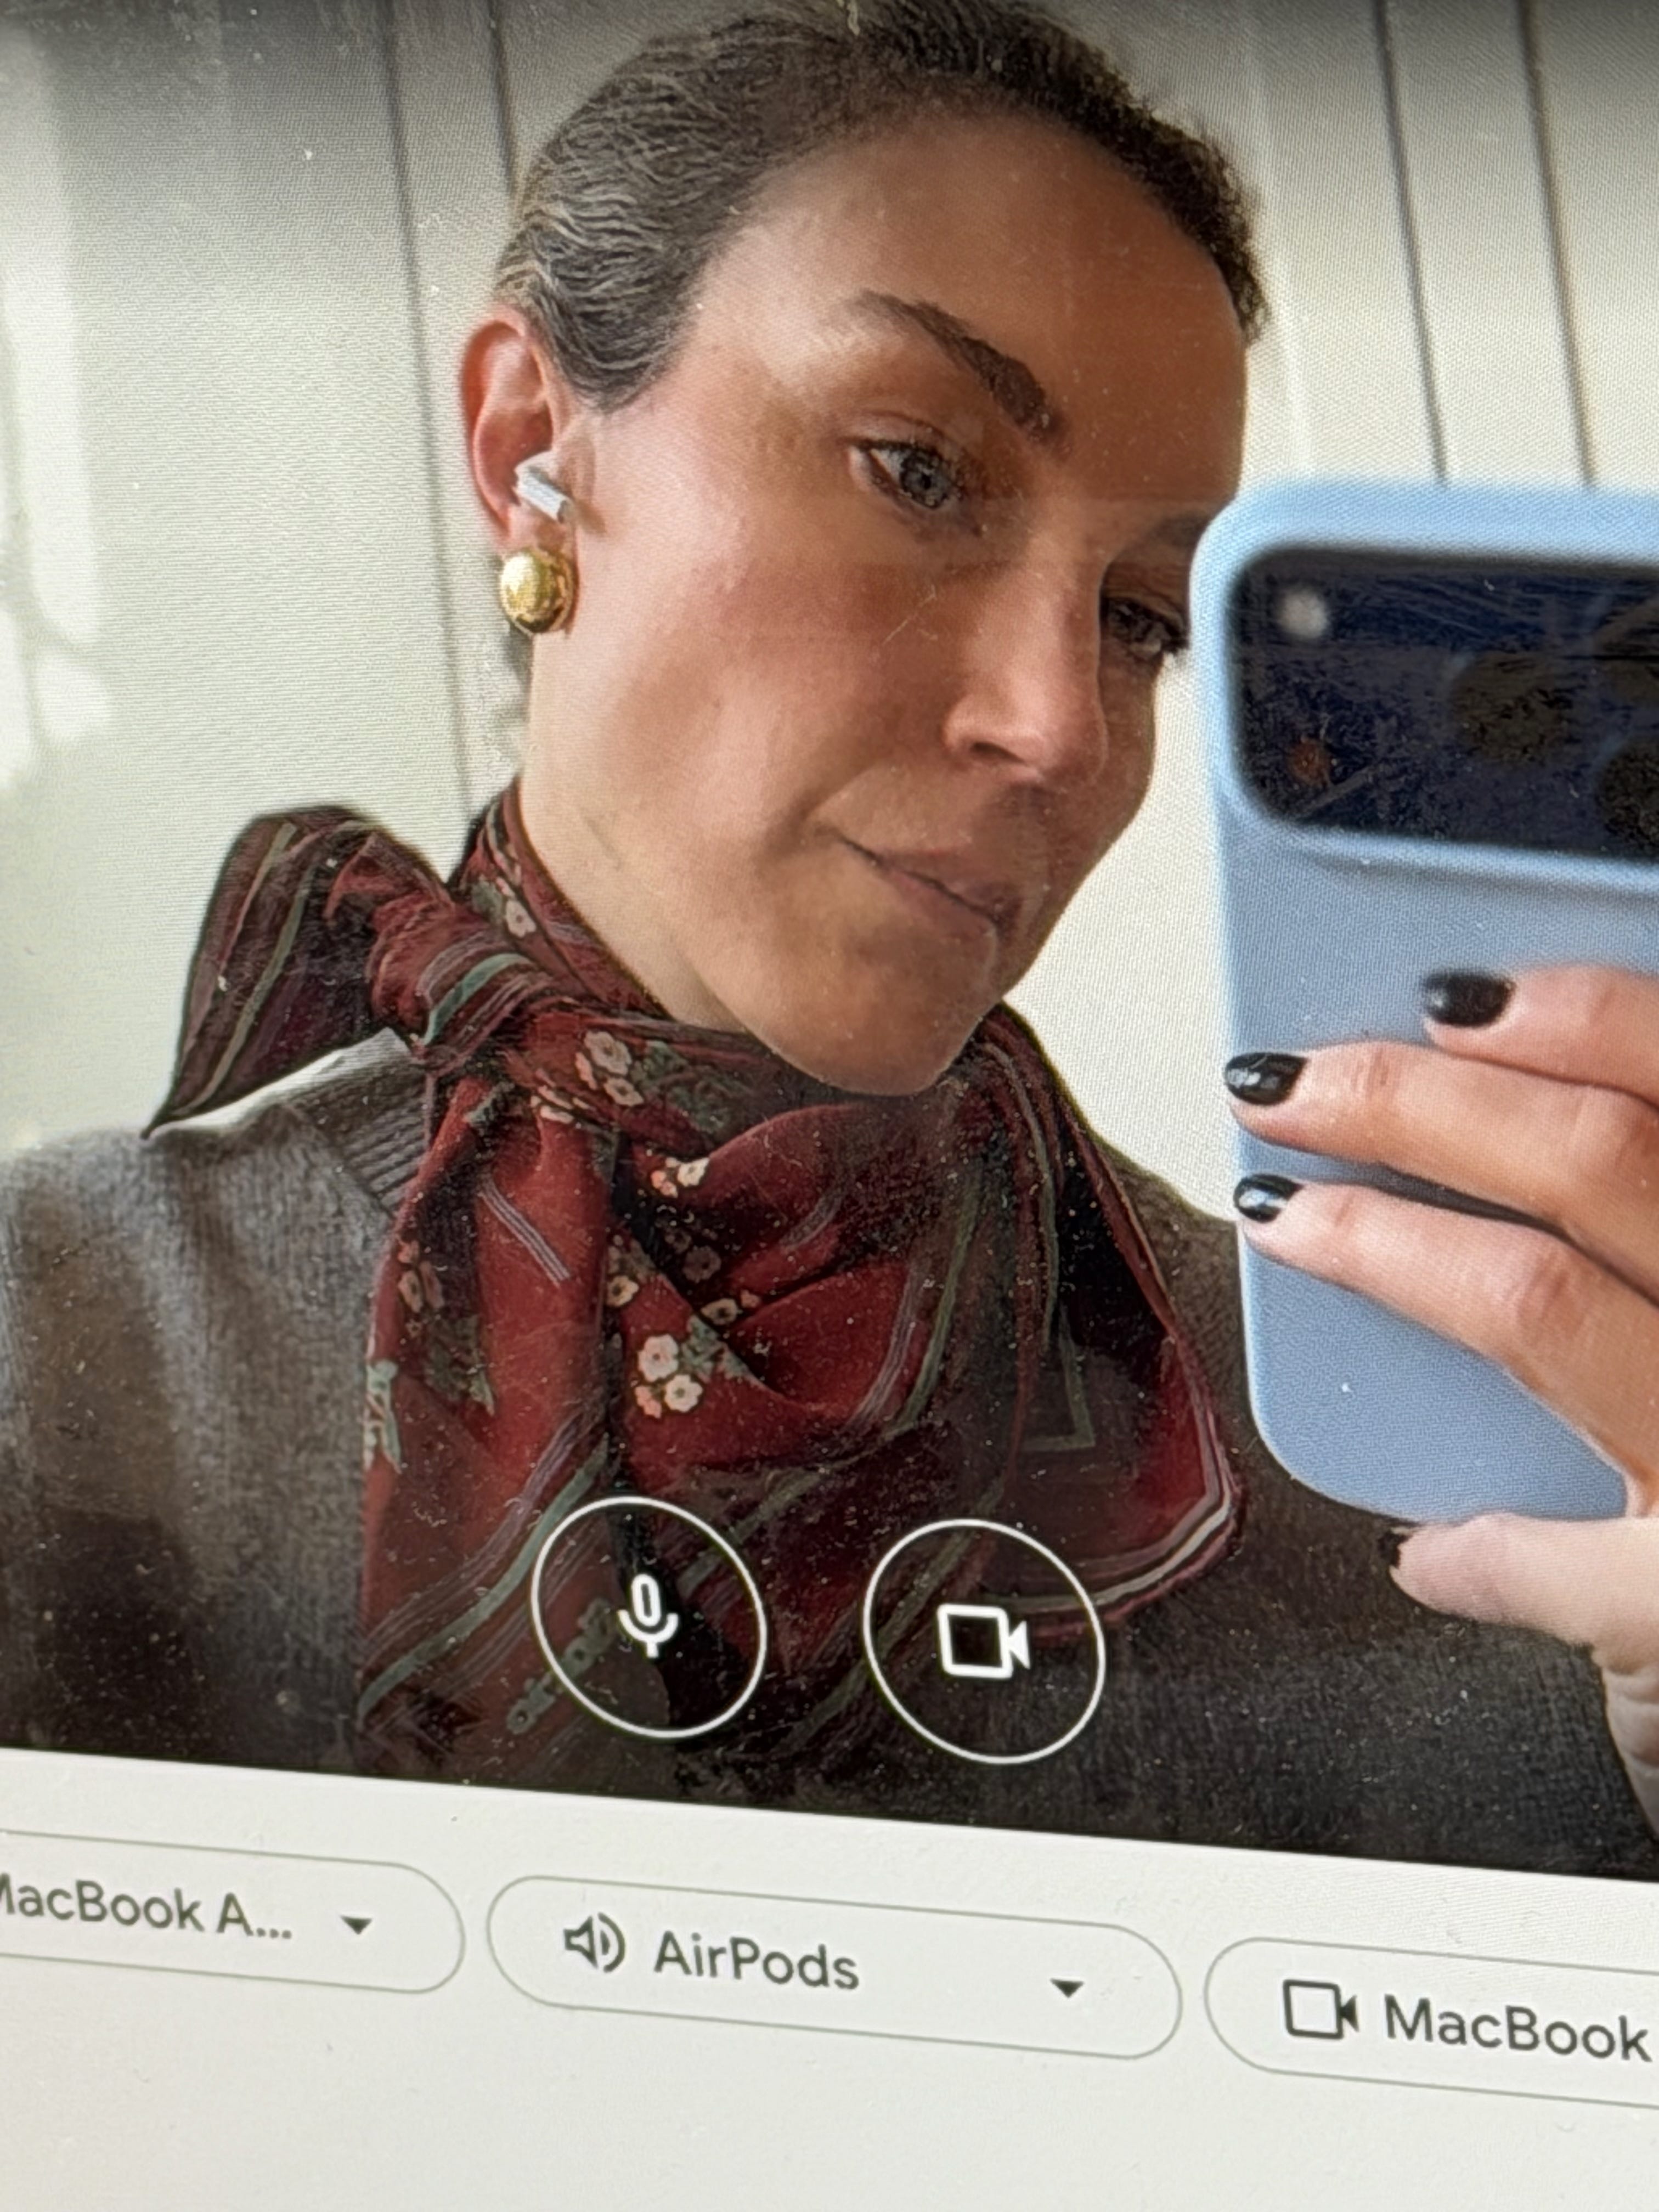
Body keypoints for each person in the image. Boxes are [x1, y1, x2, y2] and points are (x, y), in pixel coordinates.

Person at [2, 0, 1657, 1876]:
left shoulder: (1422, 1475)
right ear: (536, 447)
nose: (1058, 725)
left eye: (1139, 618)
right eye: (917, 471)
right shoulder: (65, 1332)